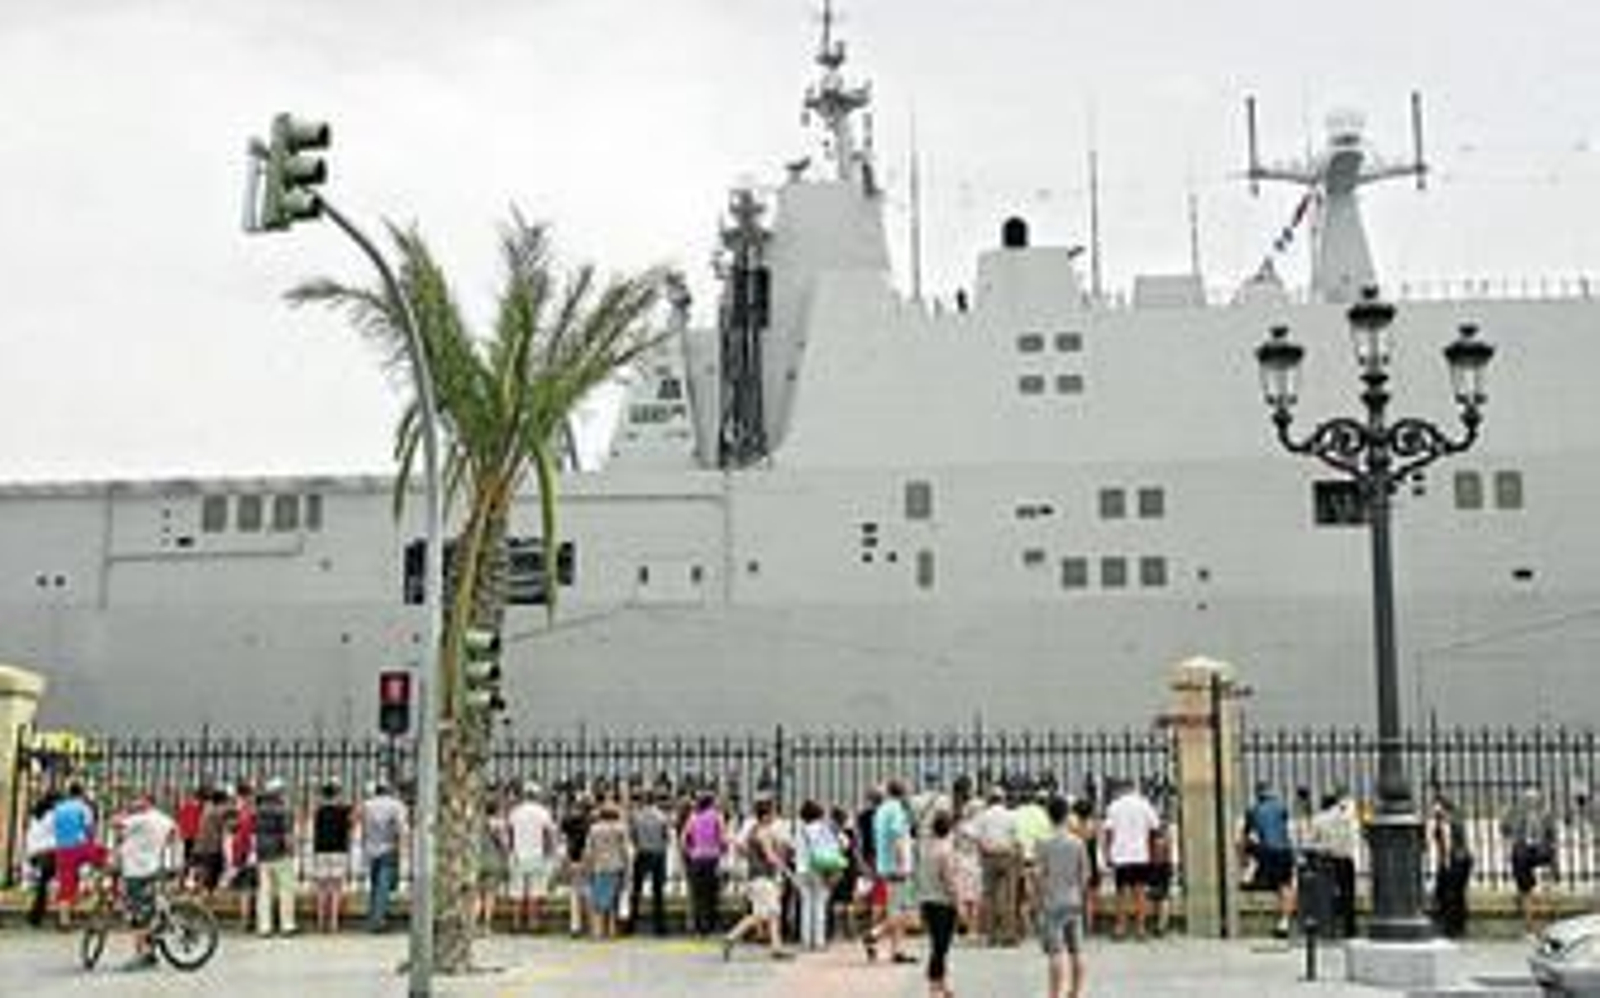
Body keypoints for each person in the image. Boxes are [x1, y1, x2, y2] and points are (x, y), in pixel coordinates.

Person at [112, 794, 179, 971]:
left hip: (137, 871)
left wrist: (125, 812)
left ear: (146, 803)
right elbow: (173, 835)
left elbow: (116, 823)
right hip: (155, 867)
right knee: (149, 909)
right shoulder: (163, 818)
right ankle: (151, 951)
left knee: (137, 914)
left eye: (138, 801)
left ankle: (141, 954)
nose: (135, 803)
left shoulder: (139, 818)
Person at [1034, 796, 1090, 998]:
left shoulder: (1043, 843)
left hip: (1052, 901)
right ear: (1067, 815)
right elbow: (1085, 875)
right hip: (1073, 900)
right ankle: (1075, 992)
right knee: (1076, 951)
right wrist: (1080, 895)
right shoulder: (1077, 843)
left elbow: (1039, 875)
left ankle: (1053, 994)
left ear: (1049, 815)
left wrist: (1038, 899)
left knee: (1055, 953)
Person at [722, 796, 791, 961]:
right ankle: (731, 937)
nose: (774, 816)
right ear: (766, 815)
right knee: (761, 914)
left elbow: (742, 849)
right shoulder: (764, 832)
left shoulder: (752, 829)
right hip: (764, 877)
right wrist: (785, 870)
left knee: (772, 913)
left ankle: (776, 947)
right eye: (773, 812)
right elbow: (770, 857)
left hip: (754, 876)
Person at [862, 778, 918, 964]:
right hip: (896, 866)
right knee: (901, 911)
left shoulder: (882, 810)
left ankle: (897, 950)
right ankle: (874, 934)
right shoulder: (896, 809)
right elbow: (897, 836)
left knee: (895, 908)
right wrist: (902, 862)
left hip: (885, 864)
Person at [1104, 777, 1162, 940]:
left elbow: (1109, 832)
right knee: (1140, 892)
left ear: (1121, 790)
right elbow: (1155, 829)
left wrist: (1108, 853)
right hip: (1140, 854)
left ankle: (1120, 928)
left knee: (1121, 893)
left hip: (1120, 855)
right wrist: (1153, 853)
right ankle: (1141, 928)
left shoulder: (1114, 806)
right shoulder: (1145, 805)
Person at [916, 810, 962, 998]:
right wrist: (958, 902)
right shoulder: (946, 851)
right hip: (943, 902)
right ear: (949, 828)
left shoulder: (926, 849)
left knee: (938, 945)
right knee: (940, 947)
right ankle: (934, 988)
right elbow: (949, 880)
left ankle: (942, 985)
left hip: (927, 900)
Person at [1241, 781, 1296, 939]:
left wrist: (1245, 855)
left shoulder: (1253, 810)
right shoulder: (1281, 807)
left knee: (1248, 847)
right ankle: (1284, 922)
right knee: (1285, 886)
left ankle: (1247, 875)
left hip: (1268, 852)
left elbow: (1248, 834)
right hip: (1285, 851)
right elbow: (1283, 827)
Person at [1502, 784, 1557, 934]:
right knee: (1526, 891)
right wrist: (1505, 815)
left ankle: (1545, 923)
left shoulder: (1546, 814)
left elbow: (1552, 838)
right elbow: (1504, 830)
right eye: (1528, 798)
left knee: (1542, 890)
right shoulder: (1515, 813)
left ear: (1539, 799)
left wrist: (1552, 861)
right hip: (1522, 854)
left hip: (1541, 854)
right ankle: (1530, 925)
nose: (1531, 801)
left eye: (1534, 798)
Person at [972, 786, 1022, 946]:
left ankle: (992, 936)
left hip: (989, 856)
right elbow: (1016, 838)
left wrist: (984, 848)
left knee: (989, 896)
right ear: (1003, 799)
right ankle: (1009, 935)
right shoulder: (1011, 815)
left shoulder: (983, 816)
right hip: (1007, 855)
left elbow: (974, 836)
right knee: (1009, 896)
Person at [507, 782, 558, 934]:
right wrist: (549, 853)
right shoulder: (543, 812)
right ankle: (532, 923)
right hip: (537, 854)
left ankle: (515, 923)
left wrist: (511, 851)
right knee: (534, 892)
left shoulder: (515, 812)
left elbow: (510, 833)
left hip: (518, 854)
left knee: (517, 892)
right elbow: (548, 834)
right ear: (537, 795)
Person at [1308, 787, 1360, 938]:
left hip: (1328, 861)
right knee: (1348, 896)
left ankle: (1329, 926)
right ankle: (1349, 928)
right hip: (1346, 859)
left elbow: (1312, 841)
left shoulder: (1319, 819)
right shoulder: (1346, 815)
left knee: (1327, 896)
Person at [358, 779, 408, 933]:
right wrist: (404, 846)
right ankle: (378, 920)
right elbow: (402, 828)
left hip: (371, 848)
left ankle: (372, 915)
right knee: (384, 885)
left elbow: (360, 824)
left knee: (374, 884)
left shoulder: (367, 805)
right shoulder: (396, 805)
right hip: (389, 847)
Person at [793, 799, 843, 950]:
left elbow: (794, 848)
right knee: (820, 904)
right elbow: (839, 844)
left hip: (802, 869)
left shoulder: (800, 829)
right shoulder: (823, 828)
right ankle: (819, 941)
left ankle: (806, 941)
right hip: (820, 868)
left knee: (806, 905)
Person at [51, 781, 99, 929]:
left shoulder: (58, 808)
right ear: (81, 793)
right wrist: (91, 845)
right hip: (79, 847)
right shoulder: (84, 808)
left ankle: (64, 919)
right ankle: (96, 892)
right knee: (107, 860)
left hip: (62, 849)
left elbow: (54, 827)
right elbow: (89, 829)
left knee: (66, 883)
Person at [254, 776, 298, 937]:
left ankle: (264, 926)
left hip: (262, 853)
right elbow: (287, 834)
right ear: (280, 792)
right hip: (280, 852)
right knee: (285, 890)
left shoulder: (258, 809)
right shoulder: (284, 809)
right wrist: (291, 850)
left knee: (264, 891)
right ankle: (287, 925)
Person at [583, 801, 631, 939]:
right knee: (613, 901)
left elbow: (588, 851)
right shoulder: (621, 829)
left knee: (597, 902)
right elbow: (626, 850)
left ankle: (597, 931)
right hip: (616, 866)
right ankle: (611, 930)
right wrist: (628, 868)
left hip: (599, 867)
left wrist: (588, 868)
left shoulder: (594, 829)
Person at [682, 792, 727, 936]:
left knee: (698, 894)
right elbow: (723, 837)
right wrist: (722, 849)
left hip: (697, 858)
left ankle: (699, 926)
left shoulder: (693, 817)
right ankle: (709, 926)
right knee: (711, 893)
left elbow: (683, 839)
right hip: (712, 858)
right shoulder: (716, 816)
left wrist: (691, 851)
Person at [311, 780, 354, 933]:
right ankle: (334, 922)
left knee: (321, 888)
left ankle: (320, 921)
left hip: (321, 851)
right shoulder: (343, 811)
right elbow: (350, 827)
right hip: (338, 851)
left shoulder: (319, 811)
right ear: (337, 794)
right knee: (336, 888)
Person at [628, 791, 671, 936]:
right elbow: (666, 836)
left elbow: (632, 836)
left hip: (642, 853)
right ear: (655, 801)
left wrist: (639, 844)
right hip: (658, 854)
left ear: (643, 801)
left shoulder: (636, 816)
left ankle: (631, 924)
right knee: (658, 892)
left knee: (636, 890)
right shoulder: (662, 816)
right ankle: (660, 927)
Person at [1431, 794, 1473, 938]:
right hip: (1460, 860)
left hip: (1455, 861)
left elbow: (1448, 843)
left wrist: (1445, 864)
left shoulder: (1448, 821)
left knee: (1451, 895)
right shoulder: (1454, 818)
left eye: (1436, 808)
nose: (1433, 811)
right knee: (1455, 894)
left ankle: (1451, 928)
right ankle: (1458, 926)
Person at [24, 788, 60, 928]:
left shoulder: (36, 815)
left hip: (35, 852)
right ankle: (38, 914)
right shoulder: (54, 815)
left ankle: (37, 913)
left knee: (43, 884)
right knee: (46, 883)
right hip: (48, 852)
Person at [476, 790, 510, 934]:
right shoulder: (499, 824)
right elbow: (504, 845)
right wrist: (506, 859)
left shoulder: (477, 823)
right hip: (493, 860)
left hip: (478, 860)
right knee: (490, 895)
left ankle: (472, 924)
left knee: (477, 895)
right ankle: (486, 925)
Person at [1067, 797, 1101, 935]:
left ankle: (1074, 928)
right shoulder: (1094, 827)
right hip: (1091, 863)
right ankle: (1090, 927)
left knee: (1074, 898)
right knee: (1090, 899)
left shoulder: (1072, 829)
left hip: (1074, 865)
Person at [228, 780, 258, 928]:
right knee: (249, 889)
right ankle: (247, 919)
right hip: (248, 853)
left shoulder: (238, 810)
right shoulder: (248, 810)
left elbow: (234, 830)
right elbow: (245, 833)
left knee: (246, 889)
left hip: (243, 852)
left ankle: (245, 919)